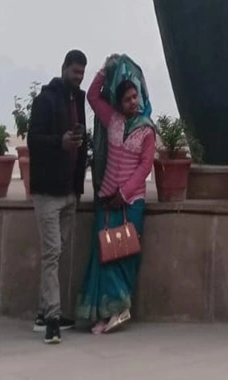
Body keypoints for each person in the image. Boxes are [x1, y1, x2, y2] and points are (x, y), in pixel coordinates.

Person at [76, 55, 156, 335]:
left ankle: (120, 309)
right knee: (102, 253)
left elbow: (145, 166)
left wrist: (125, 192)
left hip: (130, 203)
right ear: (119, 103)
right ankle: (103, 313)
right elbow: (93, 97)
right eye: (127, 99)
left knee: (122, 256)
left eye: (135, 97)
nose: (133, 102)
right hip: (107, 199)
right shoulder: (114, 121)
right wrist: (107, 67)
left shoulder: (147, 130)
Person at [27, 49, 88, 344]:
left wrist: (78, 184)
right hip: (47, 193)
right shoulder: (45, 100)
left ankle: (43, 311)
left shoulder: (79, 100)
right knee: (52, 254)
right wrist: (59, 142)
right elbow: (33, 139)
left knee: (56, 254)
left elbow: (82, 140)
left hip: (68, 193)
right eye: (75, 72)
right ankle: (52, 318)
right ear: (64, 68)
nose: (78, 77)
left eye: (81, 73)